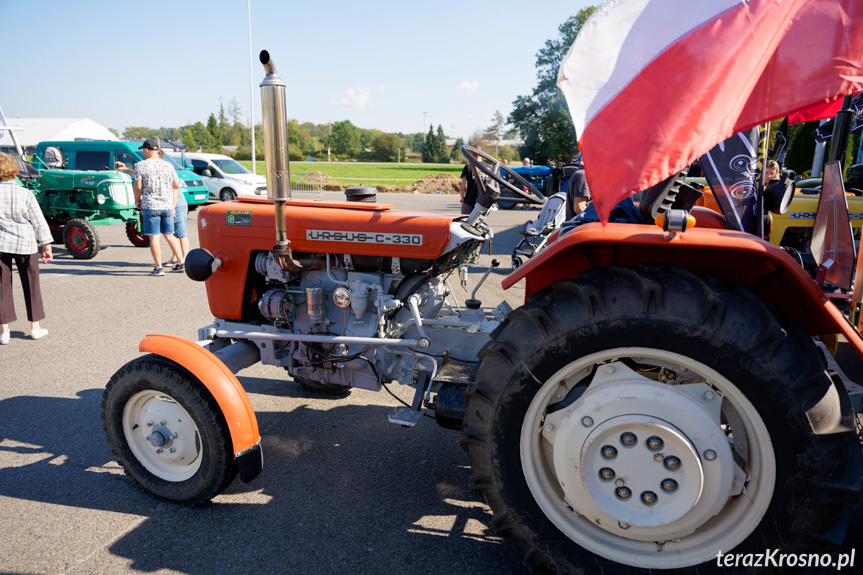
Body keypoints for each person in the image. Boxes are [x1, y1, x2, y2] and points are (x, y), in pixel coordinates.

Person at [0, 152, 53, 343]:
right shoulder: (26, 193)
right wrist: (46, 245)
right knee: (31, 284)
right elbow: (38, 222)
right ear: (14, 173)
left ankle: (4, 331)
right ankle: (35, 327)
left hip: (0, 244)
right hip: (25, 243)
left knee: (1, 286)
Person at [132, 140, 183, 276]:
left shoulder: (140, 165)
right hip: (167, 205)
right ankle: (180, 262)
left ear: (147, 150)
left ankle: (159, 268)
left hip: (150, 205)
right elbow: (177, 185)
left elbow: (138, 187)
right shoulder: (168, 165)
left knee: (154, 237)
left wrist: (138, 200)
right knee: (170, 235)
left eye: (143, 150)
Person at [459, 148, 488, 215]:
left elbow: (462, 188)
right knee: (480, 223)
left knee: (465, 223)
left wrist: (462, 200)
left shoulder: (468, 166)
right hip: (483, 202)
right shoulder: (489, 167)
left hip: (469, 201)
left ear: (472, 154)